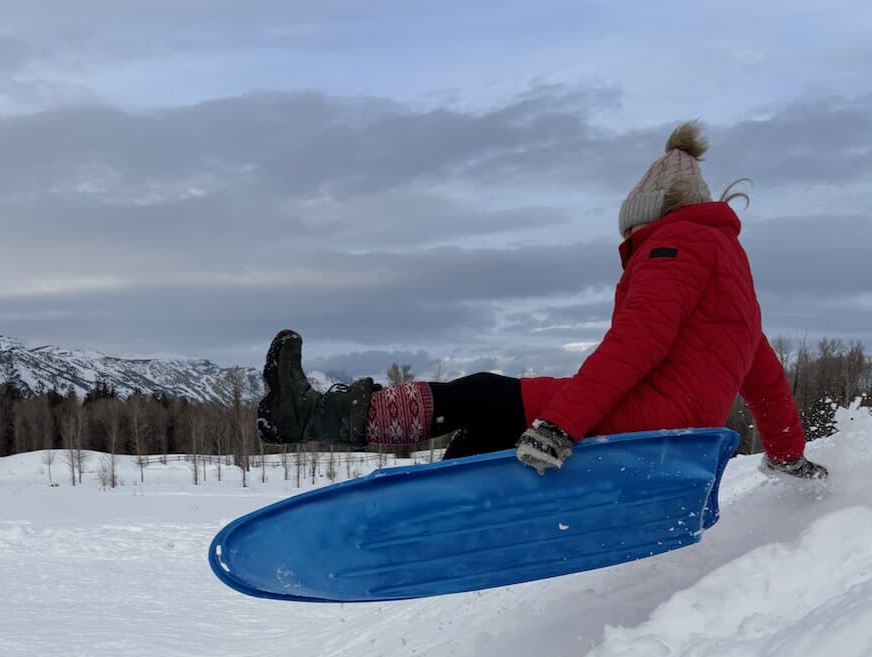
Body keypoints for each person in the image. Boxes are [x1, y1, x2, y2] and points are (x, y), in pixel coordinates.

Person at [257, 121, 827, 480]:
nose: (629, 245)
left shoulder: (675, 247)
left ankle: (312, 416)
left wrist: (561, 424)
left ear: (649, 216)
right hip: (684, 432)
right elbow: (767, 384)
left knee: (482, 394)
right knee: (490, 420)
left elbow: (637, 343)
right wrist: (788, 456)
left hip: (648, 421)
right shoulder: (731, 280)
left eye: (631, 233)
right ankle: (443, 499)